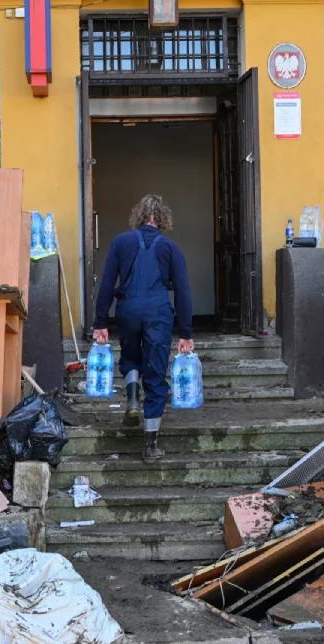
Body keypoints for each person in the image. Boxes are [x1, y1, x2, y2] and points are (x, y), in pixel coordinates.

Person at [92, 194, 195, 461]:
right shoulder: (171, 249)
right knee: (156, 373)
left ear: (139, 216)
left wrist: (100, 322)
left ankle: (133, 398)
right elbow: (183, 292)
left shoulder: (120, 242)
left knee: (130, 357)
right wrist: (186, 332)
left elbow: (106, 283)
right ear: (162, 218)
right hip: (158, 312)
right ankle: (150, 445)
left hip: (127, 309)